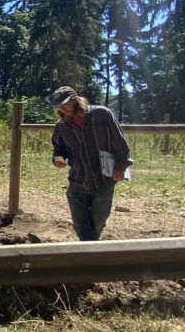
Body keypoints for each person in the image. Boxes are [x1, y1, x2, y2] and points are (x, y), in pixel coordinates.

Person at [49, 86, 131, 241]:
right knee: (80, 224)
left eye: (66, 103)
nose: (63, 108)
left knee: (98, 223)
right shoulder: (61, 126)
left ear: (76, 99)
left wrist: (121, 167)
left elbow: (120, 144)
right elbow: (59, 148)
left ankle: (89, 251)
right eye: (59, 106)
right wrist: (57, 159)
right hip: (77, 181)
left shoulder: (102, 114)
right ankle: (89, 253)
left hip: (104, 181)